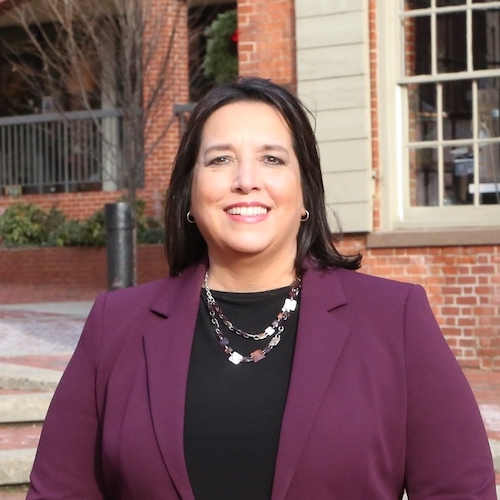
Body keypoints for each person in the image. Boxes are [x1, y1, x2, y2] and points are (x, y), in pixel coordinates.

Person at [27, 77, 496, 499]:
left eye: (271, 159)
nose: (245, 181)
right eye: (220, 159)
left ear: (306, 191)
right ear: (190, 192)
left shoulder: (395, 318)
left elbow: (461, 491)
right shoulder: (117, 325)